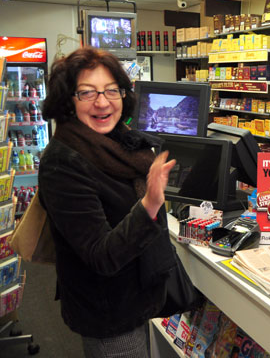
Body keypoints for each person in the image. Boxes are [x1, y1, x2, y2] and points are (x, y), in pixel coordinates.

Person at [39, 47, 181, 357]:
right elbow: (100, 255)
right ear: (68, 101)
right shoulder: (62, 162)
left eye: (111, 91)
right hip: (109, 313)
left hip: (136, 297)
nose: (102, 102)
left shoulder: (118, 141)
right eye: (87, 93)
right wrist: (150, 203)